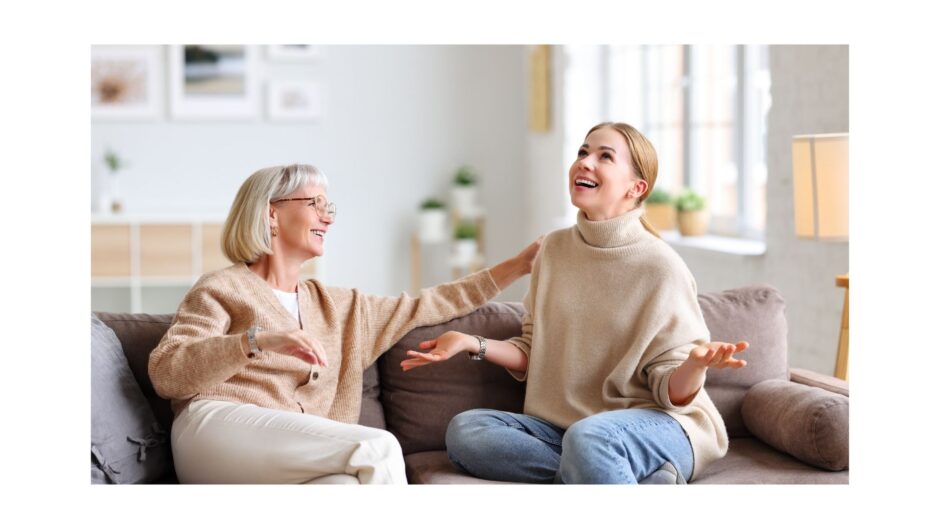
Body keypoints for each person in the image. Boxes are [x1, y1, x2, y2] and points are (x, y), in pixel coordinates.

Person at [400, 122, 748, 484]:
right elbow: (535, 350)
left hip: (661, 426)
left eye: (605, 157)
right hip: (567, 430)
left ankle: (600, 465)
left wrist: (694, 365)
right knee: (466, 431)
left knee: (590, 439)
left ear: (636, 188)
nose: (585, 162)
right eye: (583, 152)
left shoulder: (661, 267)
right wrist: (472, 343)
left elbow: (672, 393)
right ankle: (614, 475)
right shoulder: (553, 250)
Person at [149, 163, 539, 484]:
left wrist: (518, 266)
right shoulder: (222, 287)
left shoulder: (341, 308)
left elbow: (431, 303)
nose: (327, 217)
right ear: (271, 212)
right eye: (315, 203)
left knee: (346, 488)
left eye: (329, 207)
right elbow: (168, 372)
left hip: (283, 454)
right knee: (377, 448)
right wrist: (257, 341)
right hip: (215, 432)